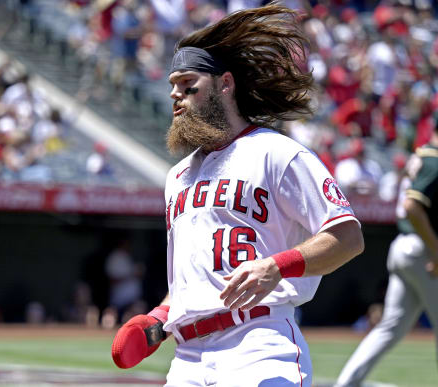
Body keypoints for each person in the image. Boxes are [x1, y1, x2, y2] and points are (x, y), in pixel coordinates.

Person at [111, 3, 364, 386]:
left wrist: (277, 265)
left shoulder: (278, 152)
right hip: (188, 359)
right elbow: (192, 278)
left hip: (258, 344)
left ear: (225, 84)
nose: (175, 96)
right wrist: (159, 320)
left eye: (187, 84)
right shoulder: (177, 177)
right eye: (172, 87)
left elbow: (348, 238)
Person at [334, 123, 438, 387]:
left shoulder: (422, 154)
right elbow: (412, 206)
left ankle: (345, 384)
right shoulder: (434, 158)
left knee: (390, 327)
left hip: (403, 245)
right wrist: (436, 251)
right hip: (423, 250)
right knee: (390, 327)